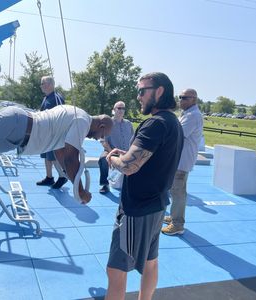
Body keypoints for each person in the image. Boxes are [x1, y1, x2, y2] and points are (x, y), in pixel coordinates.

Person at [105, 72, 183, 300]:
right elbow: (146, 158)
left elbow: (129, 166)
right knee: (150, 262)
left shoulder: (155, 124)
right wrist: (127, 154)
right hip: (157, 206)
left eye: (142, 91)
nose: (138, 96)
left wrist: (112, 158)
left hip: (137, 210)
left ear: (159, 91)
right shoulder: (172, 122)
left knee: (116, 268)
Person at [161, 88, 203, 235]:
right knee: (175, 190)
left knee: (178, 192)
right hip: (180, 159)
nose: (181, 100)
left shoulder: (193, 116)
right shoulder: (188, 114)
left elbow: (177, 134)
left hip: (182, 161)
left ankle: (177, 224)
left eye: (184, 97)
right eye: (180, 97)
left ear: (193, 99)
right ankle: (174, 216)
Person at [36, 76, 68, 189]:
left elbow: (62, 114)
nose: (41, 86)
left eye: (42, 83)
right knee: (46, 155)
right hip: (46, 132)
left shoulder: (57, 98)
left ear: (50, 84)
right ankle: (49, 177)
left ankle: (62, 176)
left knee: (53, 157)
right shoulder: (46, 98)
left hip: (54, 133)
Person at [98, 101, 134, 194]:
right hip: (111, 151)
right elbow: (104, 141)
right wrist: (112, 153)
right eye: (119, 108)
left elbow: (134, 139)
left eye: (123, 108)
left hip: (126, 152)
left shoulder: (128, 124)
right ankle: (105, 184)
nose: (121, 110)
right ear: (113, 110)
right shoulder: (108, 123)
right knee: (102, 159)